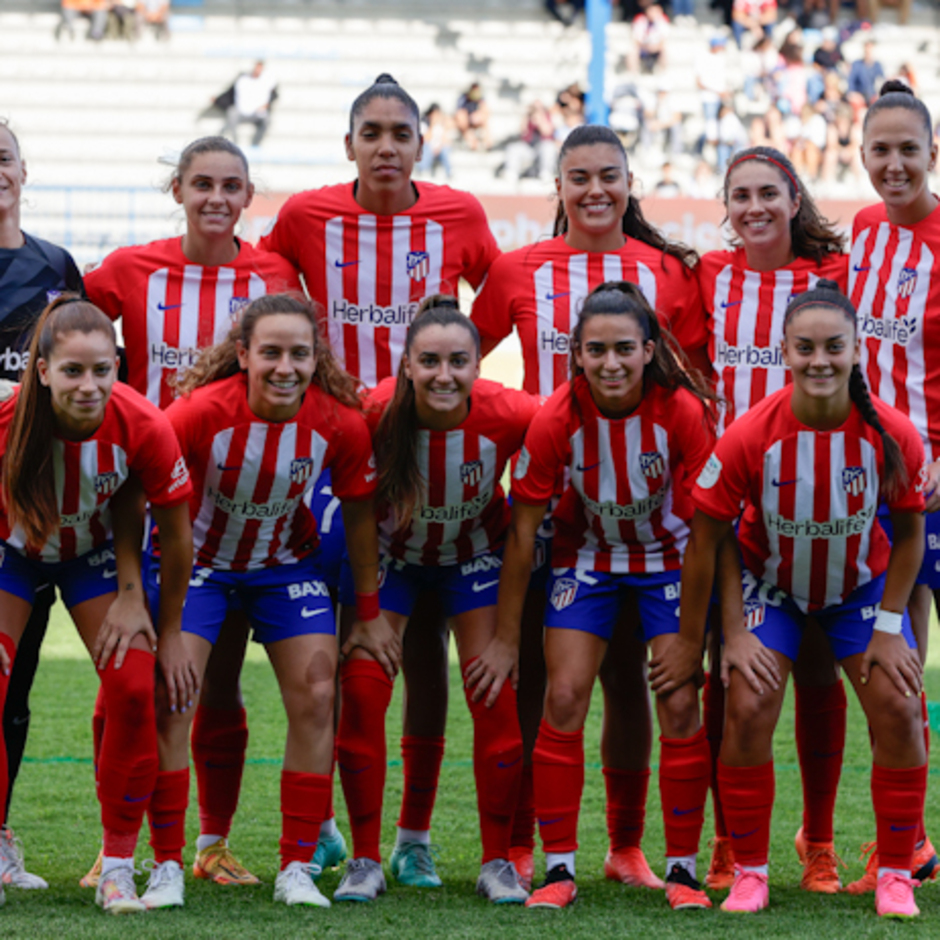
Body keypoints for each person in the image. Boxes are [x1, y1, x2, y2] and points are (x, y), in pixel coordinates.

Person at [260, 74, 501, 889]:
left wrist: (447, 380)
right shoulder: (304, 214)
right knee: (337, 654)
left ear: (421, 144)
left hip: (428, 456)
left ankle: (413, 837)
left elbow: (496, 307)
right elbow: (264, 290)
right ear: (350, 144)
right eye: (373, 132)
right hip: (333, 462)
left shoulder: (460, 214)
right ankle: (329, 826)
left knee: (426, 657)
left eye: (402, 132)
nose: (387, 145)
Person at [471, 123, 707, 892]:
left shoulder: (669, 273)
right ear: (560, 187)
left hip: (652, 520)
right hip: (561, 519)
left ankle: (630, 846)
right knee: (542, 680)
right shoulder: (517, 268)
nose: (596, 190)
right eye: (580, 177)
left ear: (630, 182)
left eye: (610, 175)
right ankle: (521, 848)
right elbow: (459, 365)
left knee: (638, 684)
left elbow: (699, 375)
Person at [665, 280, 928, 918]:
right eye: (805, 348)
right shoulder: (750, 433)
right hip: (770, 586)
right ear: (783, 351)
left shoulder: (891, 434)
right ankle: (751, 872)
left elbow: (913, 534)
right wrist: (732, 628)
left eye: (834, 347)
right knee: (749, 702)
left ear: (856, 350)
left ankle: (896, 873)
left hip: (859, 589)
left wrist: (891, 626)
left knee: (899, 705)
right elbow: (710, 536)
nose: (820, 361)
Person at [82, 136, 302, 891]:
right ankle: (115, 843)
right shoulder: (128, 269)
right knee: (131, 683)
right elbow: (65, 326)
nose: (215, 197)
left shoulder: (273, 274)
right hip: (140, 509)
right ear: (176, 189)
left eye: (230, 186)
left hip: (239, 515)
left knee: (217, 684)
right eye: (201, 183)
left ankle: (210, 844)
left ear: (249, 197)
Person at [141, 292, 395, 909]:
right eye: (271, 353)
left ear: (317, 360)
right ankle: (167, 864)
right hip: (198, 566)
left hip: (283, 568)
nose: (286, 367)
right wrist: (159, 614)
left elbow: (361, 516)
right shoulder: (196, 414)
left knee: (317, 690)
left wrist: (369, 611)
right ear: (242, 355)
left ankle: (296, 867)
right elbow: (153, 513)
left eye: (300, 354)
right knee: (176, 698)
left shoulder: (339, 422)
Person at [332, 297, 539, 904]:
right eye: (429, 361)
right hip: (390, 564)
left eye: (458, 361)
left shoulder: (511, 411)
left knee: (494, 694)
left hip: (472, 561)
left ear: (479, 366)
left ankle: (498, 861)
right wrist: (366, 614)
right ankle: (366, 860)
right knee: (364, 692)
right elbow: (358, 510)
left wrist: (506, 639)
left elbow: (572, 421)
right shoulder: (373, 411)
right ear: (406, 365)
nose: (443, 374)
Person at [0, 296, 194, 912]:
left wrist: (156, 618)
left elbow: (178, 535)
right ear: (43, 371)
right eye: (73, 371)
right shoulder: (7, 422)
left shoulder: (145, 423)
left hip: (94, 560)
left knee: (135, 688)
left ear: (118, 367)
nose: (89, 386)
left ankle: (116, 867)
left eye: (103, 370)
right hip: (10, 555)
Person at [696, 146, 849, 893]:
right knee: (730, 673)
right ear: (726, 207)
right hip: (739, 507)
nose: (754, 207)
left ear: (794, 199)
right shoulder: (708, 277)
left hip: (823, 504)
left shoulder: (835, 279)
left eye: (768, 193)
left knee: (819, 665)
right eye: (739, 196)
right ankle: (729, 839)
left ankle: (818, 843)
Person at [846, 79, 940, 893]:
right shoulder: (866, 232)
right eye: (881, 149)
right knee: (900, 671)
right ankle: (906, 842)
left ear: (933, 155)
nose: (894, 163)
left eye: (909, 148)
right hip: (884, 494)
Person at [0, 119, 84, 893]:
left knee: (13, 683)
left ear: (23, 169)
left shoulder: (56, 268)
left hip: (30, 515)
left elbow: (85, 387)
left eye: (2, 153)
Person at [222, 61, 278, 148]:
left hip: (257, 113)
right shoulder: (243, 80)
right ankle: (235, 142)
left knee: (267, 120)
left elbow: (274, 96)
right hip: (241, 112)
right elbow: (230, 94)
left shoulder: (267, 81)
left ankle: (256, 144)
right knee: (232, 113)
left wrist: (266, 105)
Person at [455, 82, 492, 152]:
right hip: (465, 124)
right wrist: (469, 118)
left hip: (476, 121)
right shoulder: (463, 98)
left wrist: (478, 114)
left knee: (484, 115)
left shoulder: (481, 99)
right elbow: (459, 113)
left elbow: (486, 112)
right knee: (461, 118)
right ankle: (473, 143)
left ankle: (488, 142)